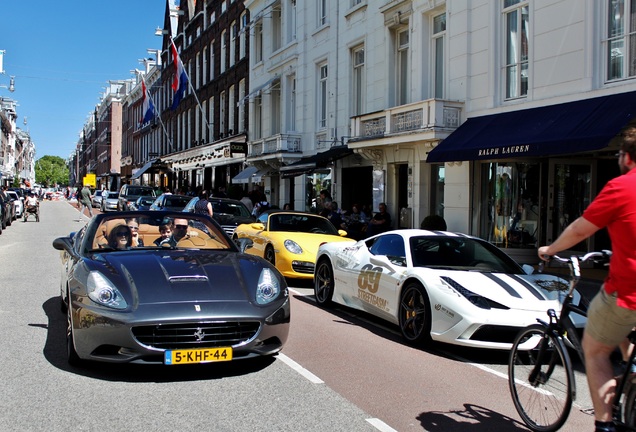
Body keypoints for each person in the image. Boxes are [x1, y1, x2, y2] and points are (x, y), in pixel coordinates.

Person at [537, 128, 636, 432]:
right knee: (616, 327)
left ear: (628, 157)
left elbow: (581, 229)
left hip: (628, 291)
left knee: (594, 346)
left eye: (620, 153)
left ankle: (604, 424)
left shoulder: (622, 187)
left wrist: (550, 249)